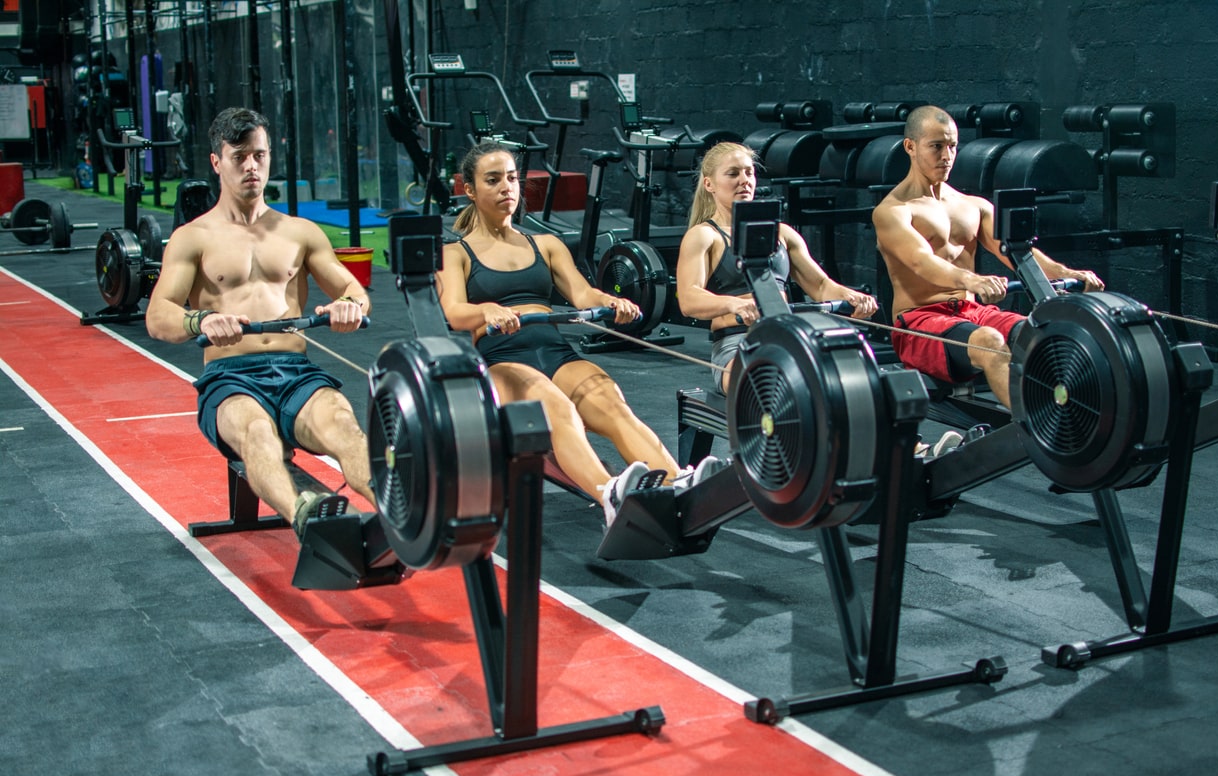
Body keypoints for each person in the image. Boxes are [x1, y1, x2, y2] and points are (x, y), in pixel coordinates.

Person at [437, 141, 711, 526]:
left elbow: (582, 294)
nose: (506, 188)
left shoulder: (545, 245)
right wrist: (487, 310)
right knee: (558, 408)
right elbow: (454, 311)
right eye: (493, 180)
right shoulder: (457, 253)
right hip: (502, 358)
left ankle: (677, 481)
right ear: (469, 189)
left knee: (610, 401)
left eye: (512, 179)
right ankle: (608, 494)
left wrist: (612, 301)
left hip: (553, 348)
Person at [146, 106, 373, 538]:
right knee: (257, 432)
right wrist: (201, 321)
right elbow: (159, 317)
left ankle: (403, 518)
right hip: (230, 378)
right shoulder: (193, 237)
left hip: (297, 375)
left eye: (260, 155)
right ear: (217, 162)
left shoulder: (301, 232)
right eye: (239, 157)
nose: (252, 166)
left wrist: (348, 307)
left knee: (344, 424)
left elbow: (355, 292)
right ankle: (307, 519)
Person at [873, 104, 1104, 409]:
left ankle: (1072, 414)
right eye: (936, 146)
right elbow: (921, 261)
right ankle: (1040, 430)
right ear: (910, 147)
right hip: (920, 322)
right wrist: (972, 279)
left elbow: (1018, 253)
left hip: (972, 313)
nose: (946, 156)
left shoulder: (973, 206)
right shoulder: (893, 211)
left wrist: (1067, 274)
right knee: (990, 342)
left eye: (953, 146)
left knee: (1038, 333)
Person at [674, 141, 880, 396]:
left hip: (789, 336)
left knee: (856, 380)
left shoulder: (782, 233)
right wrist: (733, 304)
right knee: (775, 385)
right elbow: (689, 298)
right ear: (709, 184)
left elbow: (820, 286)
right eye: (733, 173)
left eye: (749, 172)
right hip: (738, 343)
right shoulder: (704, 236)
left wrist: (851, 297)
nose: (744, 180)